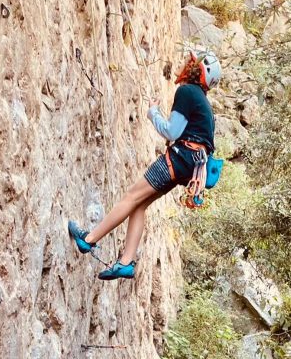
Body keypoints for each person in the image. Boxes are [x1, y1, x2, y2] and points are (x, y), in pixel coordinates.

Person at [67, 49, 221, 280]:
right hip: (191, 167)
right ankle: (126, 263)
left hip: (180, 158)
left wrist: (152, 113)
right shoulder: (204, 104)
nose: (185, 63)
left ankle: (88, 239)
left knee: (131, 197)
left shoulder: (188, 92)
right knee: (139, 205)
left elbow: (171, 131)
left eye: (191, 62)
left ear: (197, 69)